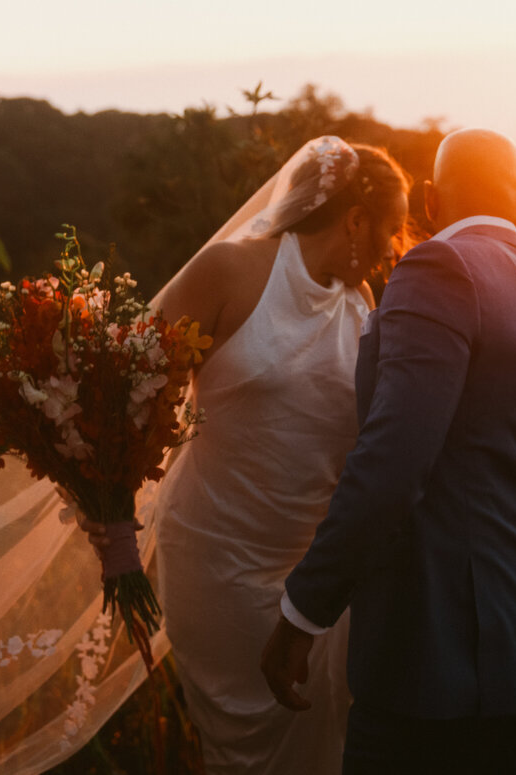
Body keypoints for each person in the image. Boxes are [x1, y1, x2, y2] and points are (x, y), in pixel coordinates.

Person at [84, 134, 413, 775]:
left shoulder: (361, 305)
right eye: (391, 230)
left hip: (312, 580)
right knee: (245, 753)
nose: (394, 250)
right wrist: (117, 524)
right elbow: (129, 400)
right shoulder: (229, 271)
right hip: (219, 560)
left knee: (326, 742)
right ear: (354, 221)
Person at [261, 128, 516, 775]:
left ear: (431, 201)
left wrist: (304, 612)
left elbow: (392, 463)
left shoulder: (437, 268)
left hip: (434, 651)